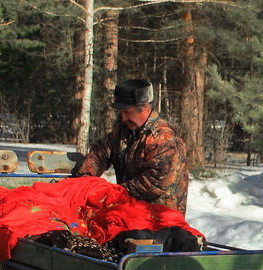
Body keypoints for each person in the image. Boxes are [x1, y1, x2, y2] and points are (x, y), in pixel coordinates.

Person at [72, 79, 189, 213]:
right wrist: (84, 179)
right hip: (129, 210)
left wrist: (110, 194)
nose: (123, 118)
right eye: (121, 113)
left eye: (127, 112)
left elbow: (153, 183)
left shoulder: (163, 139)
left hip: (159, 220)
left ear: (145, 108)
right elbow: (101, 152)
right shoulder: (124, 129)